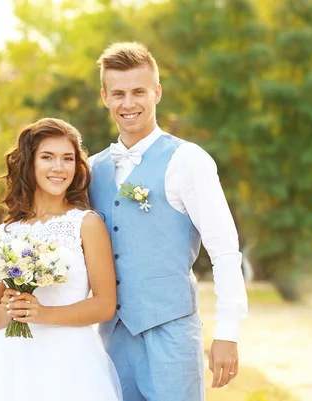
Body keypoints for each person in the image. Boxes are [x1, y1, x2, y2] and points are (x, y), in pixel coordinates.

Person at [89, 42, 248, 401]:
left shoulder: (188, 160)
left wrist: (228, 331)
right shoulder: (92, 169)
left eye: (138, 92)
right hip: (112, 337)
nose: (128, 103)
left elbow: (224, 250)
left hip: (171, 335)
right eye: (118, 94)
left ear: (157, 92)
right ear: (104, 97)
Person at [0, 118, 122, 401]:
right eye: (48, 157)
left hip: (71, 363)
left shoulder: (86, 224)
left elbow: (105, 305)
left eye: (67, 159)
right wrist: (13, 308)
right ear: (29, 163)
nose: (59, 167)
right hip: (8, 364)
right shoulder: (2, 234)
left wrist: (42, 314)